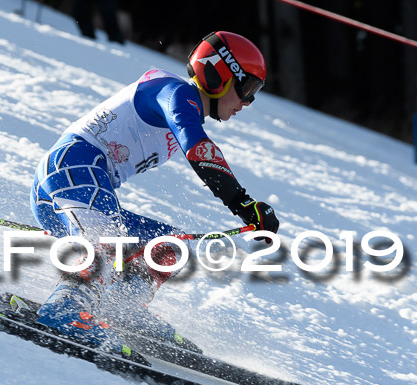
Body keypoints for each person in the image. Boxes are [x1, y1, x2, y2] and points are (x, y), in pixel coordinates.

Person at [29, 31, 279, 356]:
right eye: (247, 88)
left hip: (83, 187)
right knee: (105, 247)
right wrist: (243, 204)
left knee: (167, 245)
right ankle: (65, 309)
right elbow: (199, 149)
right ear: (219, 75)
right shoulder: (176, 93)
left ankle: (124, 309)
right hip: (68, 174)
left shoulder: (184, 104)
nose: (248, 102)